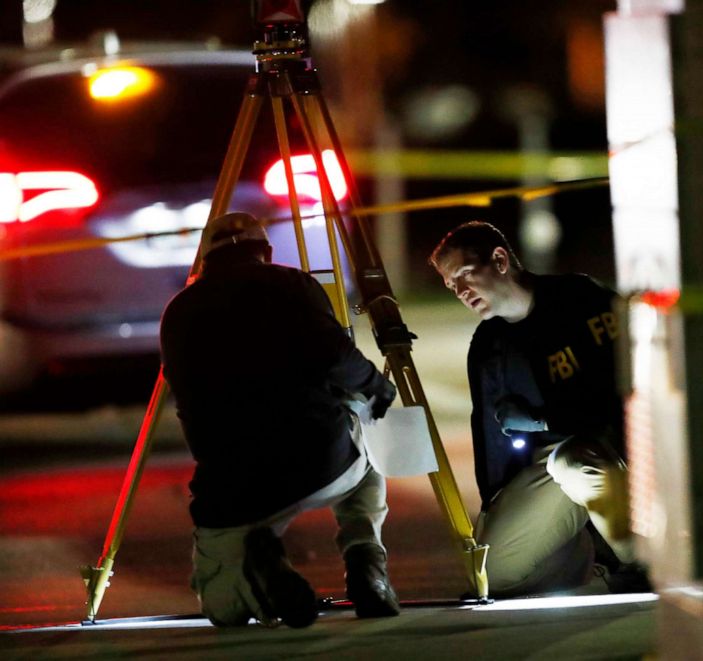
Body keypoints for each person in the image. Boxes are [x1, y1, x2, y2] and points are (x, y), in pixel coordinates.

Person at [160, 212, 401, 627]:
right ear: (267, 253)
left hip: (231, 489)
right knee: (368, 452)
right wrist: (377, 387)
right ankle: (365, 561)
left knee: (225, 612)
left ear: (202, 260)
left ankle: (261, 572)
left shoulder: (177, 311)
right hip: (321, 463)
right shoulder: (293, 285)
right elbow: (337, 357)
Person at [430, 221, 651, 596]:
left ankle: (641, 562)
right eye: (453, 286)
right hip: (551, 469)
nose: (462, 292)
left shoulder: (579, 298)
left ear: (499, 260)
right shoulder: (488, 346)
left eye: (466, 274)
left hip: (614, 450)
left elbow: (623, 397)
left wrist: (541, 420)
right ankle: (591, 559)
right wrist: (495, 509)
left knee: (574, 459)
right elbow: (490, 442)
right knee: (490, 575)